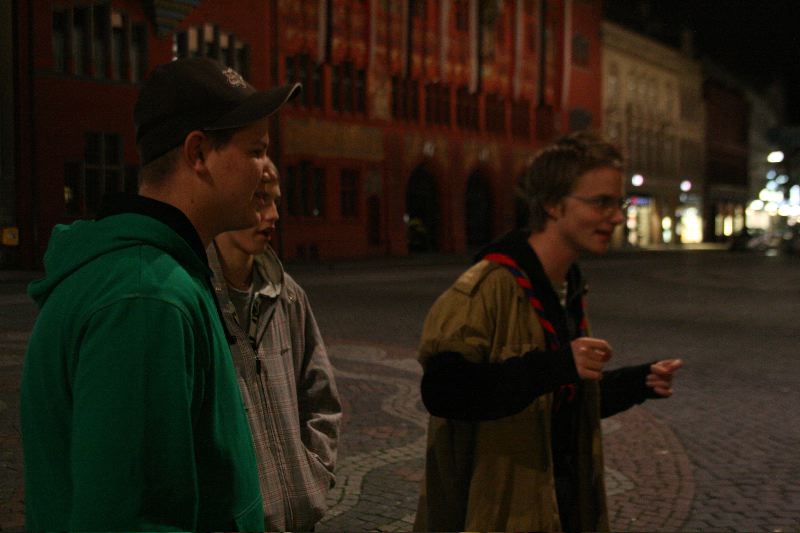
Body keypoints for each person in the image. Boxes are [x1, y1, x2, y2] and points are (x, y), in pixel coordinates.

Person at [20, 57, 301, 531]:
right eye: (256, 151)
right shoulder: (146, 297)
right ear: (198, 153)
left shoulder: (161, 274)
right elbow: (133, 519)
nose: (266, 170)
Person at [413, 131, 683, 532]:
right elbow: (444, 391)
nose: (617, 217)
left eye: (618, 203)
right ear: (554, 205)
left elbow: (555, 399)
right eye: (601, 202)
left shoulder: (565, 285)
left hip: (556, 506)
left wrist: (636, 382)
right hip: (499, 512)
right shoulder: (487, 287)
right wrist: (555, 366)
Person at [208, 157, 341, 531]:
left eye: (276, 200)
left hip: (300, 521)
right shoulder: (196, 299)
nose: (274, 215)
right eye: (259, 199)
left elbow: (321, 397)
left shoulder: (288, 295)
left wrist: (313, 471)